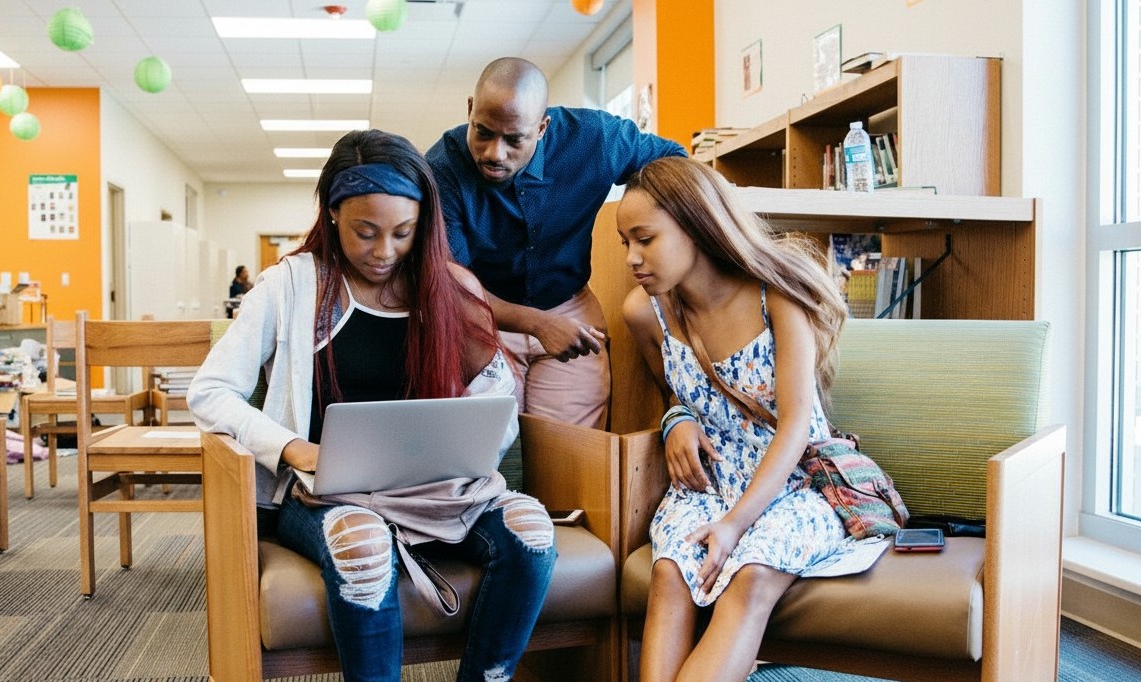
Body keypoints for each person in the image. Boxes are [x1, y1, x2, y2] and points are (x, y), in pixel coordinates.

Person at [188, 129, 557, 682]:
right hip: (324, 493)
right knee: (361, 546)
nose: (385, 252)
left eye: (404, 233)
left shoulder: (450, 286)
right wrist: (292, 447)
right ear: (333, 214)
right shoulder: (289, 284)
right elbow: (209, 391)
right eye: (366, 232)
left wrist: (465, 446)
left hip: (437, 487)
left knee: (532, 532)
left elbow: (496, 396)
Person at [616, 156, 858, 682]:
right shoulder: (645, 312)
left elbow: (796, 425)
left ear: (696, 226)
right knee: (669, 576)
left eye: (645, 239)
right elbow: (674, 393)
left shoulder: (779, 297)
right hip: (707, 483)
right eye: (624, 243)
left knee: (747, 579)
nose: (632, 258)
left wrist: (733, 525)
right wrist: (675, 420)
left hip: (792, 484)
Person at [426, 56, 686, 429]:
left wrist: (638, 227)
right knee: (489, 447)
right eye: (482, 131)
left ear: (543, 127)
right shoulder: (441, 168)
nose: (493, 153)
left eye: (514, 139)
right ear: (470, 109)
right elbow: (451, 284)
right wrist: (537, 324)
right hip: (482, 317)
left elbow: (675, 161)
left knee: (574, 453)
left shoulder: (594, 138)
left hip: (570, 309)